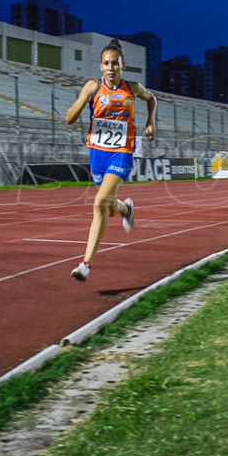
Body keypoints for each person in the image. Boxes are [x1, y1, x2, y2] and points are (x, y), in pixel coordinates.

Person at [65, 39, 157, 281]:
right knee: (107, 203)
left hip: (122, 152)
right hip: (97, 153)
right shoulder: (93, 87)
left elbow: (151, 99)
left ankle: (85, 265)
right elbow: (69, 117)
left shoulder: (133, 88)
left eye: (114, 63)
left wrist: (150, 122)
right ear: (100, 66)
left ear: (122, 65)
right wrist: (80, 105)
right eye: (106, 63)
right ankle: (126, 208)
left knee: (98, 204)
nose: (110, 67)